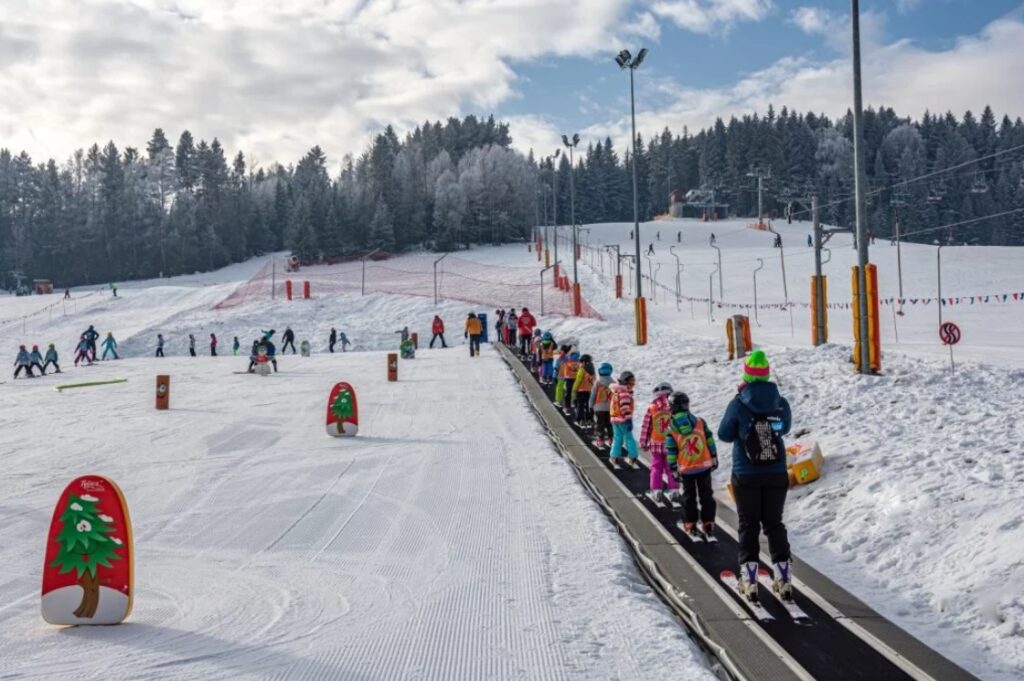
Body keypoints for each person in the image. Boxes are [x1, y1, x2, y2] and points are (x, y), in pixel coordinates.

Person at [717, 350, 793, 603]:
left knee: (748, 525)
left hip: (746, 472)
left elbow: (725, 434)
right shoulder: (780, 402)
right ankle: (783, 578)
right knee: (774, 524)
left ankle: (749, 580)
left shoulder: (738, 402)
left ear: (747, 374)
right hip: (776, 471)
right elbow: (786, 427)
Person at [666, 391, 718, 539]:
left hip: (686, 468)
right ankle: (708, 523)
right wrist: (714, 456)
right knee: (706, 494)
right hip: (704, 465)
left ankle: (690, 523)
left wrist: (673, 469)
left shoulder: (671, 429)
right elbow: (709, 440)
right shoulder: (700, 422)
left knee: (689, 497)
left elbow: (671, 451)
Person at [639, 381, 680, 505]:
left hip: (656, 443)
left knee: (656, 468)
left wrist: (643, 442)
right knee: (671, 468)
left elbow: (647, 427)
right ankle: (674, 491)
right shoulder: (674, 407)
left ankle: (656, 490)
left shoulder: (652, 407)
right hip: (671, 445)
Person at [609, 371, 639, 468]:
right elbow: (625, 408)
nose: (633, 384)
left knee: (617, 438)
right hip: (623, 420)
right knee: (629, 438)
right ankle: (633, 456)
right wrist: (628, 419)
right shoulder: (624, 393)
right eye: (631, 382)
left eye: (633, 381)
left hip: (615, 420)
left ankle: (614, 456)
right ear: (625, 382)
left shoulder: (617, 392)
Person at [589, 362, 614, 448]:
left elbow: (593, 394)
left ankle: (600, 439)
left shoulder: (598, 382)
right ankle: (611, 438)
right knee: (609, 424)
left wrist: (591, 406)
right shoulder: (613, 382)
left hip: (599, 407)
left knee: (600, 424)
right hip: (610, 408)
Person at [571, 354, 595, 427]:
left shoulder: (582, 369)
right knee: (589, 406)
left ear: (584, 362)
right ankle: (590, 420)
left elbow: (578, 380)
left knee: (580, 406)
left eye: (581, 362)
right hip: (589, 390)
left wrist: (574, 389)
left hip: (581, 391)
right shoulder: (593, 370)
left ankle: (580, 420)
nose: (580, 363)